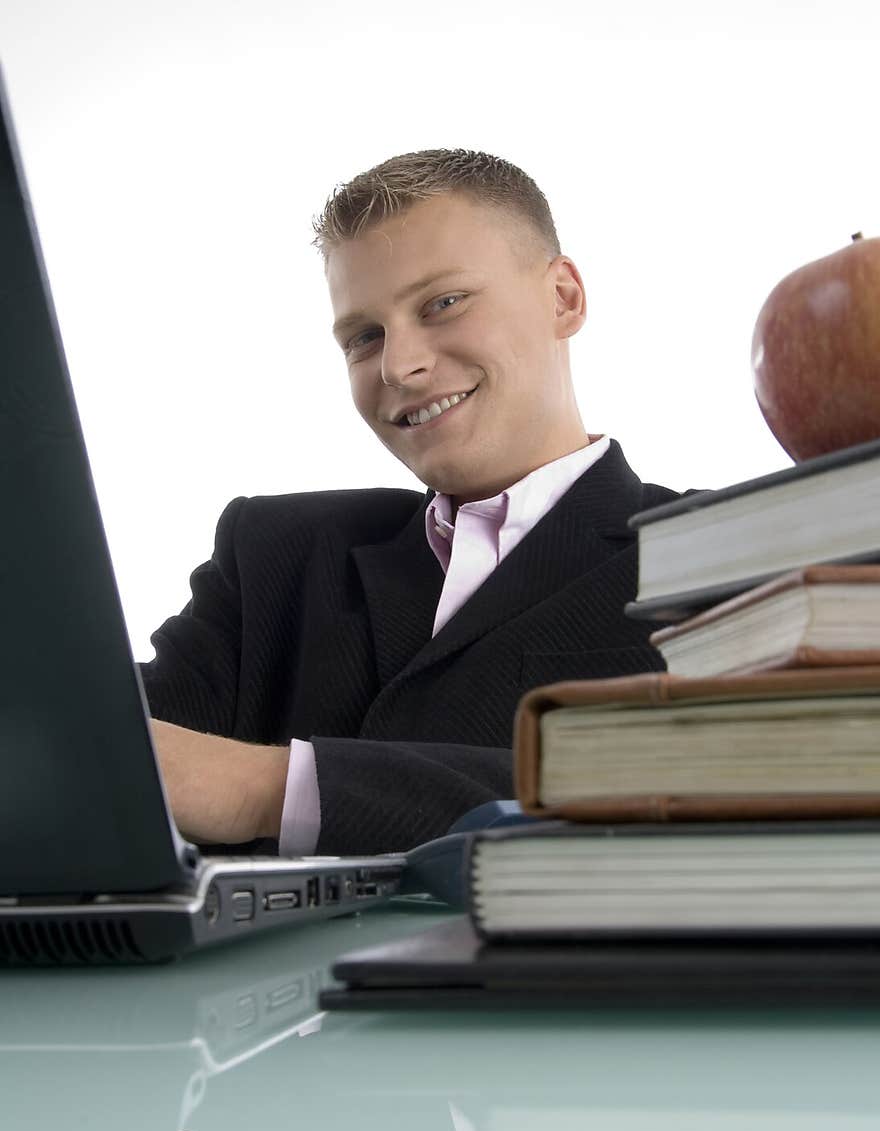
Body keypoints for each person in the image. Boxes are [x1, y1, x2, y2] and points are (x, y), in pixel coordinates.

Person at [140, 150, 682, 855]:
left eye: (443, 304)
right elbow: (86, 756)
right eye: (363, 336)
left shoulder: (716, 555)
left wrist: (270, 787)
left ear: (564, 298)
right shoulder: (271, 554)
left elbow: (704, 796)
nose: (399, 366)